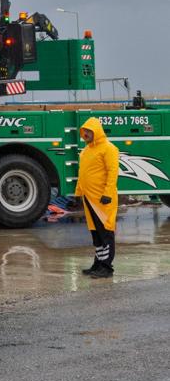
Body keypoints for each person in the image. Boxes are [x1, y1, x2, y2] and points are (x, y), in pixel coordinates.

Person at [76, 116, 120, 278]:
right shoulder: (86, 150)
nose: (85, 134)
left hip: (103, 199)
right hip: (89, 199)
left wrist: (108, 193)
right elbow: (83, 173)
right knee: (96, 233)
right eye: (84, 131)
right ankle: (98, 263)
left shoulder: (109, 148)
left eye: (88, 131)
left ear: (97, 131)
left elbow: (112, 172)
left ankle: (106, 267)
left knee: (105, 232)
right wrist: (79, 191)